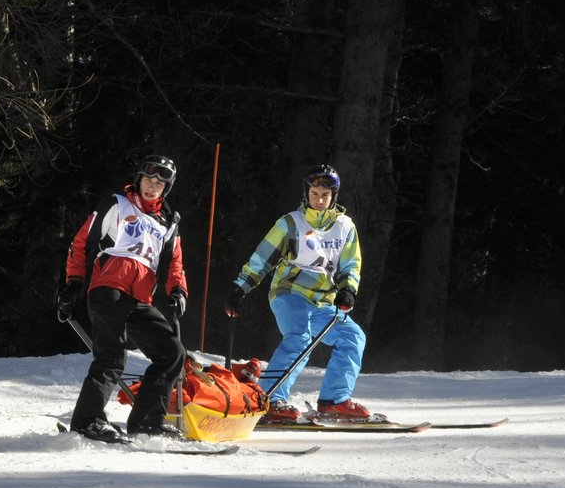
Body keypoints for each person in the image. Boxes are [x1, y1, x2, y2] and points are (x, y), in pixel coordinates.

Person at [222, 164, 369, 423]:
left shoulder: (345, 227)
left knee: (353, 337)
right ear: (307, 194)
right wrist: (240, 287)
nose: (320, 199)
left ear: (333, 196)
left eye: (325, 195)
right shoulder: (291, 223)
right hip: (289, 292)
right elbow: (263, 258)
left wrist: (348, 289)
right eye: (315, 194)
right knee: (300, 337)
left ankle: (333, 401)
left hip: (323, 300)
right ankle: (270, 399)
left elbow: (350, 264)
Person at [58, 153, 189, 442]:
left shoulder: (168, 224)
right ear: (139, 179)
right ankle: (87, 421)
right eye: (148, 179)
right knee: (112, 356)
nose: (152, 186)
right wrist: (73, 284)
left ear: (166, 189)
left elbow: (174, 264)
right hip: (109, 289)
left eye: (159, 183)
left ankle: (147, 423)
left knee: (172, 353)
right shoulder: (117, 205)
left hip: (141, 299)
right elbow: (80, 244)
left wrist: (178, 291)